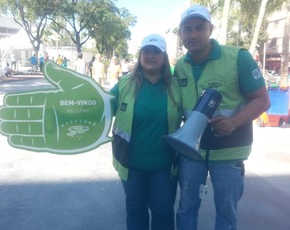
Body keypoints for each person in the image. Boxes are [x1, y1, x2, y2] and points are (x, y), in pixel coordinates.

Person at [174, 5, 270, 230]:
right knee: (186, 209)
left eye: (199, 28)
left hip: (229, 152)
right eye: (187, 30)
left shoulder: (238, 58)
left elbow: (262, 100)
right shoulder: (180, 65)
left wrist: (234, 122)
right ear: (181, 34)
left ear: (211, 29)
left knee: (227, 215)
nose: (193, 34)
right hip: (191, 153)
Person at [110, 33, 183, 230]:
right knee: (135, 209)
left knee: (163, 211)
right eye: (146, 52)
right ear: (140, 56)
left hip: (164, 165)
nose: (150, 56)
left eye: (156, 52)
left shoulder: (176, 86)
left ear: (164, 57)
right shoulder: (125, 84)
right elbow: (102, 108)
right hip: (131, 163)